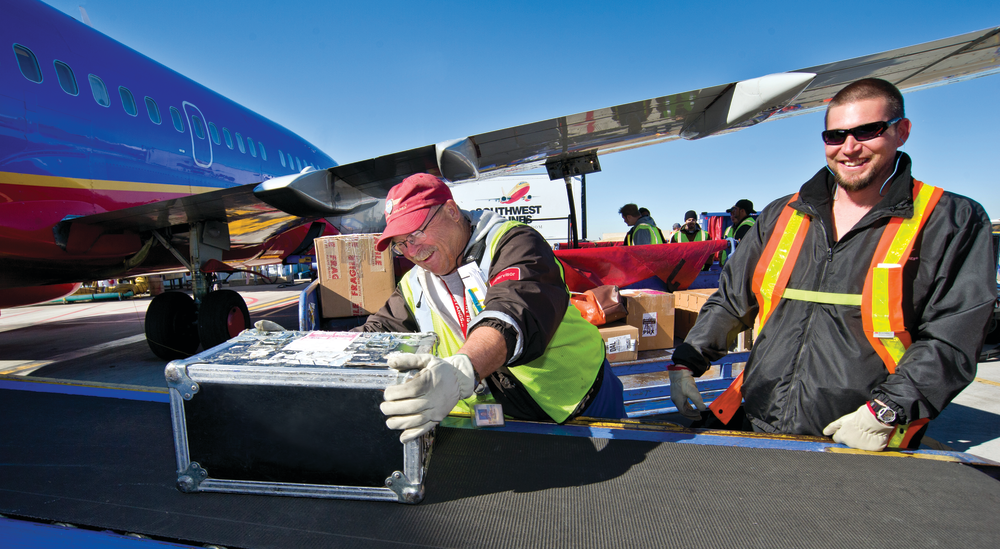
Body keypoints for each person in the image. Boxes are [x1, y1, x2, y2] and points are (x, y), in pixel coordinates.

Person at [668, 78, 995, 452]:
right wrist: (686, 363)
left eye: (868, 131)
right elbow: (731, 301)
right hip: (758, 420)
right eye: (835, 136)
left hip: (862, 437)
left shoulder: (950, 219)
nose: (850, 148)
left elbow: (953, 338)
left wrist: (886, 411)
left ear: (901, 131)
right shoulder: (783, 214)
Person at [359, 173, 626, 442]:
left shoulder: (514, 242)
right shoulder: (414, 281)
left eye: (416, 233)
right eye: (400, 244)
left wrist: (460, 370)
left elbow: (514, 310)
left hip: (575, 402)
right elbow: (379, 331)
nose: (412, 251)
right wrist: (329, 351)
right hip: (490, 418)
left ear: (451, 211)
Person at [719, 199, 756, 266]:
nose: (734, 212)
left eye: (736, 209)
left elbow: (741, 251)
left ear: (742, 211)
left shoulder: (745, 226)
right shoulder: (745, 224)